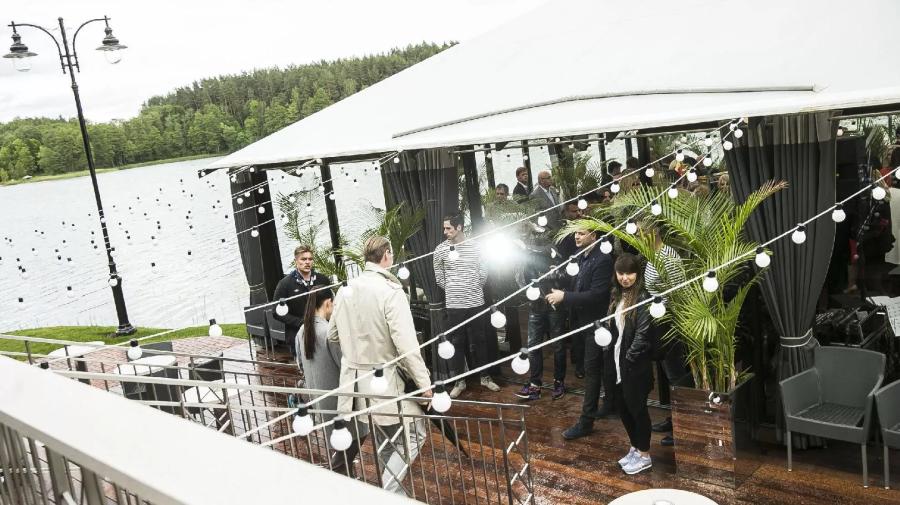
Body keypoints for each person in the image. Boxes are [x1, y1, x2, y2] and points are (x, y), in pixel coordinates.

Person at [328, 236, 432, 495]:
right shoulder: (390, 292)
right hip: (387, 381)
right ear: (386, 255)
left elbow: (332, 335)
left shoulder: (345, 290)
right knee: (415, 434)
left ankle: (392, 493)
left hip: (357, 385)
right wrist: (425, 385)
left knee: (386, 439)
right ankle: (388, 493)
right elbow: (407, 346)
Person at [545, 226, 616, 440]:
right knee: (599, 367)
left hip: (596, 325)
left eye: (581, 233)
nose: (576, 236)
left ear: (593, 236)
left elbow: (597, 294)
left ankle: (586, 422)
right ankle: (610, 404)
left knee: (592, 371)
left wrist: (565, 297)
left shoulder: (602, 260)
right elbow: (577, 284)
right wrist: (559, 277)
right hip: (581, 322)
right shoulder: (580, 256)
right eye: (575, 233)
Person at [433, 213, 500, 397]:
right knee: (457, 342)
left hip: (476, 301)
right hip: (454, 304)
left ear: (459, 227)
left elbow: (484, 269)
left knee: (480, 340)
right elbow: (439, 276)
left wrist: (474, 285)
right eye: (444, 228)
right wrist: (453, 288)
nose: (445, 231)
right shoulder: (440, 250)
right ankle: (459, 382)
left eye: (448, 228)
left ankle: (485, 377)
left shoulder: (476, 246)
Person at [605, 253, 654, 475]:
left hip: (634, 365)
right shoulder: (617, 295)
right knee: (623, 408)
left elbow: (643, 334)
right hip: (617, 361)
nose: (625, 278)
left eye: (629, 273)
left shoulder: (643, 297)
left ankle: (645, 455)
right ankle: (634, 447)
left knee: (638, 409)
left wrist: (629, 358)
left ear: (637, 274)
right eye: (621, 273)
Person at [514, 241, 568, 401]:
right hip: (536, 306)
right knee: (533, 346)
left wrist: (526, 247)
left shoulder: (547, 247)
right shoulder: (523, 257)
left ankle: (559, 382)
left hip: (554, 304)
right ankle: (534, 385)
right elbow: (522, 282)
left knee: (558, 346)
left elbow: (551, 251)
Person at [273, 245, 332, 357]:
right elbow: (276, 312)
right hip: (298, 335)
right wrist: (302, 323)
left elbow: (331, 304)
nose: (307, 262)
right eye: (303, 259)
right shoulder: (285, 284)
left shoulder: (323, 280)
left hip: (323, 332)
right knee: (304, 367)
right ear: (296, 261)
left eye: (310, 259)